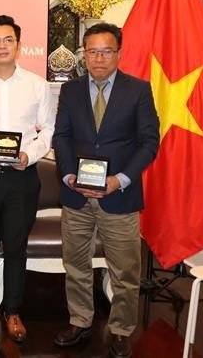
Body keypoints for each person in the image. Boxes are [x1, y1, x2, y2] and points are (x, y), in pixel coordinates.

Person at [52, 23, 159, 358]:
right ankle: (80, 321)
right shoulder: (70, 91)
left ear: (119, 53)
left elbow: (149, 142)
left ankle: (122, 329)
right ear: (83, 54)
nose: (98, 58)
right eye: (92, 51)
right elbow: (62, 137)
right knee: (76, 263)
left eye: (106, 50)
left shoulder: (138, 90)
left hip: (120, 195)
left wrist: (120, 179)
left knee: (125, 269)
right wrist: (69, 175)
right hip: (76, 195)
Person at [0, 15, 55, 342]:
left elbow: (48, 129)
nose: (2, 46)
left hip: (22, 176)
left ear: (18, 44)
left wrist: (28, 156)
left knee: (17, 247)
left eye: (8, 40)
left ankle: (13, 309)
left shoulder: (36, 84)